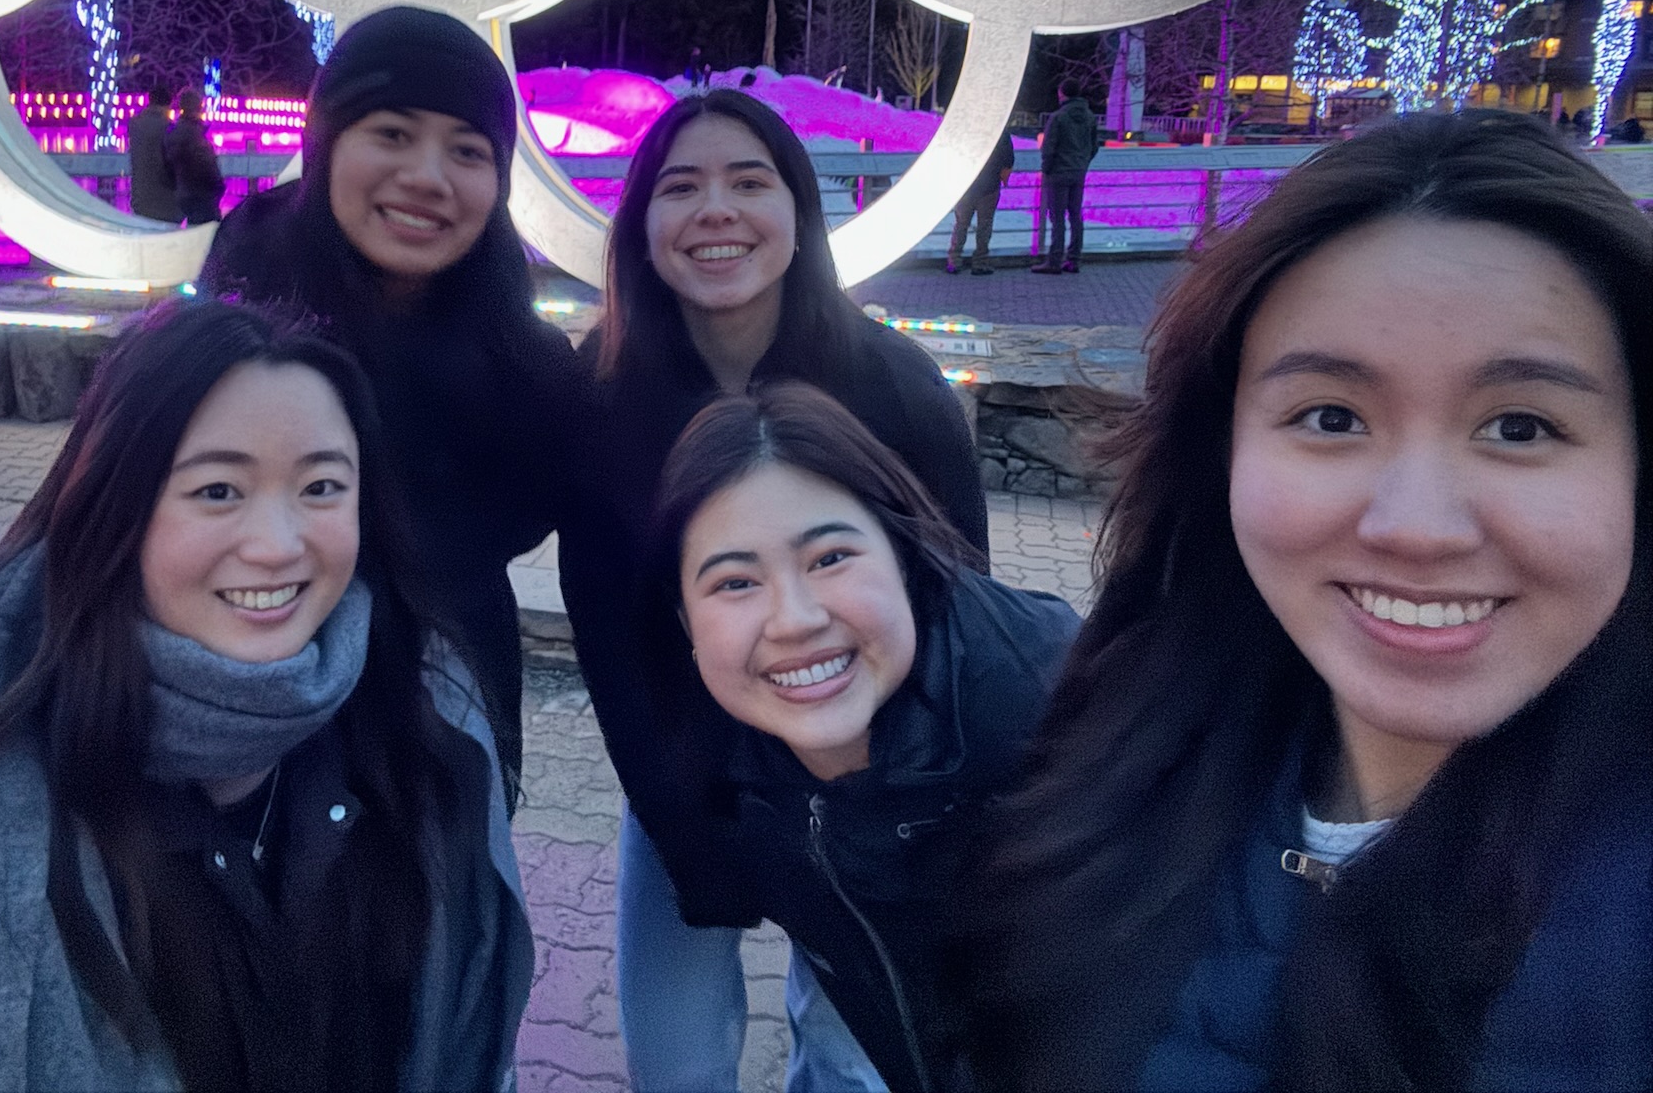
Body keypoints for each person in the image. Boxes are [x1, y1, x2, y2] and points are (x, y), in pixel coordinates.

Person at [948, 111, 1650, 1091]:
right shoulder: (1126, 746)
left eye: (1519, 426)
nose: (1415, 525)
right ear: (1223, 447)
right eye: (1330, 417)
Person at [0, 302, 532, 1092]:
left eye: (322, 486)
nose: (276, 545)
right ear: (120, 506)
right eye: (218, 490)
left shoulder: (420, 724)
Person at [559, 88, 990, 1092]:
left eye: (749, 182)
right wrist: (669, 807)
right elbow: (605, 628)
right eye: (681, 187)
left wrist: (905, 797)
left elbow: (958, 613)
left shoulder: (895, 390)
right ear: (642, 227)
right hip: (678, 767)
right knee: (671, 1060)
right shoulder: (603, 394)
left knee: (853, 1061)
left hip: (863, 783)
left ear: (798, 217)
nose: (716, 209)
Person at [655, 384, 1076, 1092]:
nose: (793, 620)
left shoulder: (1058, 715)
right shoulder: (733, 761)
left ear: (905, 560)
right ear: (685, 622)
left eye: (829, 559)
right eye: (734, 582)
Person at [201, 6, 578, 774]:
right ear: (326, 144)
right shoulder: (224, 337)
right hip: (240, 727)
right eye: (392, 134)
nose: (427, 178)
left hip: (450, 727)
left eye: (468, 150)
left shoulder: (527, 366)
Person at [1031, 79, 1096, 274]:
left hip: (1058, 173)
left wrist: (1047, 169)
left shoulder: (1058, 117)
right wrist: (1082, 162)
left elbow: (1049, 148)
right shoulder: (1089, 117)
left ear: (1062, 94)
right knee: (1076, 215)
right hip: (1078, 172)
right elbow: (1094, 146)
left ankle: (1054, 260)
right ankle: (1074, 259)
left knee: (1057, 218)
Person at [943, 129, 1015, 275]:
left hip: (966, 185)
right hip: (990, 184)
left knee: (961, 224)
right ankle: (980, 262)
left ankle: (954, 259)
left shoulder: (967, 129)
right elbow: (1008, 158)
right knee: (985, 225)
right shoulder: (1000, 131)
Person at [164, 88, 227, 226]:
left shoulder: (174, 133)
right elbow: (208, 167)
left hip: (184, 193)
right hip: (202, 196)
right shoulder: (195, 135)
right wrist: (219, 188)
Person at [126, 85, 182, 222]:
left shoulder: (135, 125)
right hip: (165, 201)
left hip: (140, 197)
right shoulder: (169, 128)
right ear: (169, 104)